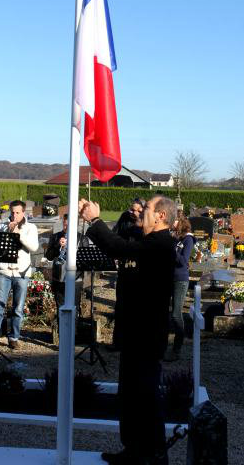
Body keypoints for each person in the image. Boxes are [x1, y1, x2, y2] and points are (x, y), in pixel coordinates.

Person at [79, 195, 177, 465]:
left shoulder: (161, 245)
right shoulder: (147, 239)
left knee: (145, 396)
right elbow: (124, 238)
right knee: (130, 396)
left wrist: (95, 220)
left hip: (146, 335)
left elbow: (119, 248)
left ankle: (155, 455)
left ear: (160, 217)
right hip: (134, 332)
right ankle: (133, 449)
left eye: (146, 209)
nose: (140, 212)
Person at [0, 200, 39, 349]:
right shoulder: (2, 226)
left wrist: (18, 234)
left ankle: (14, 337)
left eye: (17, 212)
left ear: (23, 213)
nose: (14, 215)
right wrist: (7, 232)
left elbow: (34, 247)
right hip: (4, 271)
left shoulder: (30, 228)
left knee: (18, 308)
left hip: (21, 273)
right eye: (12, 212)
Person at [111, 198, 145, 349]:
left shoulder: (146, 223)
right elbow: (114, 236)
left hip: (139, 270)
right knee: (120, 306)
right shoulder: (124, 218)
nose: (134, 213)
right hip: (124, 268)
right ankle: (118, 342)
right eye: (132, 209)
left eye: (138, 210)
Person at [164, 215, 195, 362]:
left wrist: (171, 249)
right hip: (168, 277)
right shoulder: (176, 237)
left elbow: (183, 261)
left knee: (176, 314)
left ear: (180, 222)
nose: (171, 223)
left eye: (173, 221)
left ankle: (176, 349)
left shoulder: (188, 239)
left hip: (180, 280)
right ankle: (162, 347)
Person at [45, 214, 84, 319]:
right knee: (60, 308)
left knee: (74, 309)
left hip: (75, 279)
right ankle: (61, 333)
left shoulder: (81, 238)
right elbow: (48, 256)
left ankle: (74, 334)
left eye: (69, 225)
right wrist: (58, 245)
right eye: (65, 225)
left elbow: (85, 260)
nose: (66, 228)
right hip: (59, 278)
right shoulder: (56, 236)